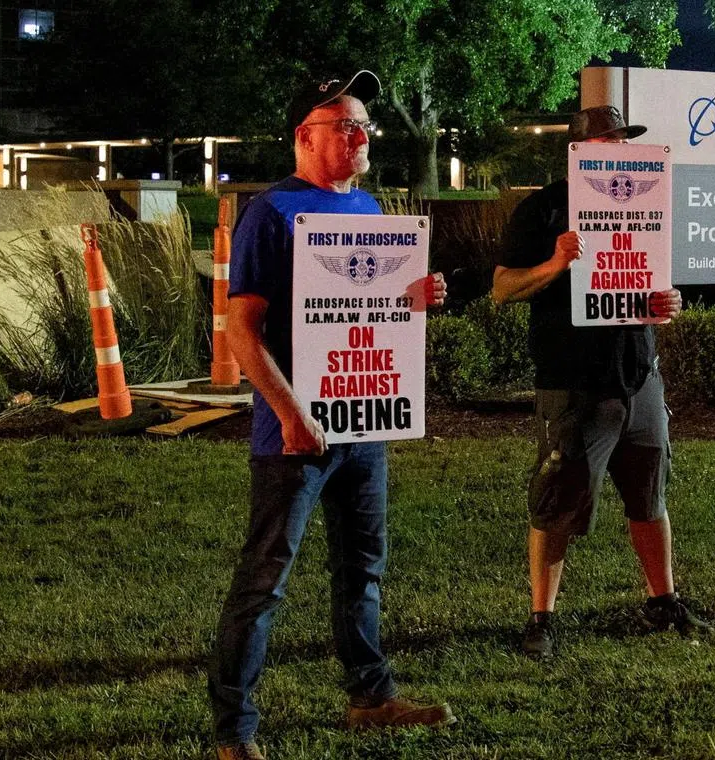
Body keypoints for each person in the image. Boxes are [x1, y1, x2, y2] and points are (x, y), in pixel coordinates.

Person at [208, 70, 454, 760]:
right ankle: (235, 733)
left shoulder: (372, 209)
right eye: (345, 124)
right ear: (304, 137)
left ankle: (370, 698)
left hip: (363, 425)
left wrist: (415, 296)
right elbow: (241, 330)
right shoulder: (274, 213)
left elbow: (368, 306)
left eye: (363, 125)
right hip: (294, 434)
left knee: (363, 570)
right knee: (265, 580)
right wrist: (287, 411)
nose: (360, 135)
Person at [492, 105, 711, 659]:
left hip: (639, 377)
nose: (621, 149)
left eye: (625, 139)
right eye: (610, 141)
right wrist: (555, 264)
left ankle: (662, 600)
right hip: (573, 382)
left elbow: (651, 283)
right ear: (580, 150)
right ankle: (541, 617)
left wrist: (667, 302)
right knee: (557, 502)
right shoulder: (542, 210)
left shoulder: (640, 203)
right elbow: (503, 289)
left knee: (649, 496)